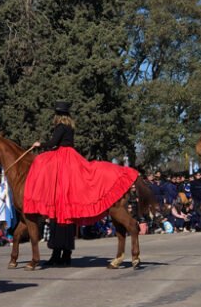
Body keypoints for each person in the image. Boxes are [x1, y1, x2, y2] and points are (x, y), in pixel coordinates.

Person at [24, 101, 139, 265]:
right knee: (69, 194)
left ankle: (58, 252)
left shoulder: (60, 127)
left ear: (57, 115)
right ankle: (65, 254)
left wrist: (39, 144)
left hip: (63, 160)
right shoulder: (70, 126)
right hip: (72, 158)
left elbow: (53, 143)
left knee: (41, 164)